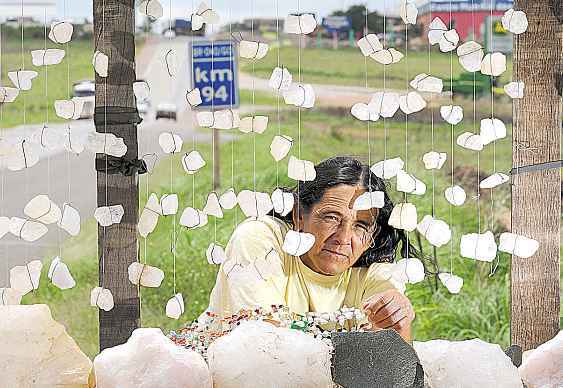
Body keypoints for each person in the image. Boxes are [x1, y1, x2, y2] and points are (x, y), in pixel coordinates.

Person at [205, 156, 417, 342]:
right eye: (331, 217)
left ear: (371, 236)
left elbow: (394, 368)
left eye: (360, 226)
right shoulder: (261, 240)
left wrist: (398, 319)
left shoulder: (376, 274)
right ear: (298, 215)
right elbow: (266, 347)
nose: (343, 238)